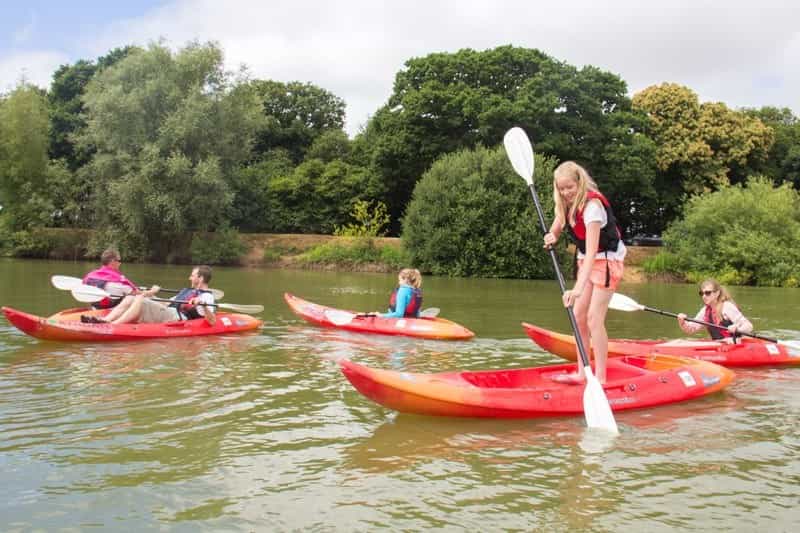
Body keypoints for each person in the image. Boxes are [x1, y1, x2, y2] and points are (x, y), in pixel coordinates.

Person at [543, 161, 626, 384]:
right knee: (578, 316)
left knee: (593, 319)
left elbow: (591, 253)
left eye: (569, 187)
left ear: (579, 183)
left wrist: (577, 289)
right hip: (586, 262)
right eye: (561, 188)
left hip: (606, 261)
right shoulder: (564, 204)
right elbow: (558, 224)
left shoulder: (592, 207)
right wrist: (552, 235)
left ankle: (600, 378)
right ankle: (582, 372)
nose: (565, 192)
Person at [83, 265, 216, 326]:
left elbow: (212, 321)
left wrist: (203, 306)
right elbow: (165, 303)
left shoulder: (207, 297)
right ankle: (106, 320)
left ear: (201, 278)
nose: (190, 277)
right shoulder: (186, 290)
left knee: (140, 298)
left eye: (192, 275)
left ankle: (114, 325)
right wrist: (151, 295)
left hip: (178, 317)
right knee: (131, 297)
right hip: (169, 310)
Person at [677, 279, 753, 340]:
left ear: (717, 293)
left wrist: (737, 328)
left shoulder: (727, 307)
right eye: (701, 293)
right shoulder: (705, 310)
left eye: (707, 293)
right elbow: (691, 329)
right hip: (719, 346)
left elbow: (749, 326)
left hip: (735, 345)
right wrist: (682, 322)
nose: (704, 296)